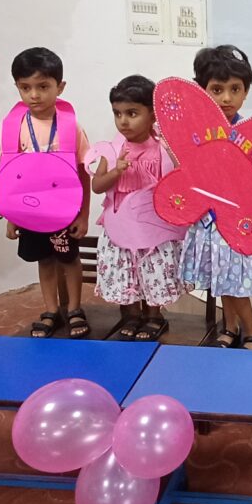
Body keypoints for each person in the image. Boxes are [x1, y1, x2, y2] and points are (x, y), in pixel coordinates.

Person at [178, 45, 252, 350]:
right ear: (202, 90)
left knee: (235, 280)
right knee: (221, 277)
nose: (226, 98)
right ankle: (230, 327)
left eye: (235, 89)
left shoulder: (248, 132)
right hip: (207, 220)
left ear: (246, 92)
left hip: (238, 219)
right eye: (217, 89)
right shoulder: (193, 133)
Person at [5, 47, 92, 339]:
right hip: (30, 211)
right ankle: (51, 310)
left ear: (60, 87)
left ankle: (75, 309)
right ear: (17, 87)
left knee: (68, 259)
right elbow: (11, 176)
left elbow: (83, 173)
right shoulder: (15, 128)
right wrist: (12, 216)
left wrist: (83, 214)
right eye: (25, 87)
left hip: (64, 211)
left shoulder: (71, 127)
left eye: (43, 86)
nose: (34, 95)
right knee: (44, 259)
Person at [91, 74, 185, 341]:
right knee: (126, 270)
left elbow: (178, 183)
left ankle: (154, 316)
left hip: (153, 228)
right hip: (119, 226)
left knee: (152, 270)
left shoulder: (163, 149)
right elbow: (97, 186)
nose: (123, 121)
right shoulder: (112, 151)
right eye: (117, 113)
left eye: (132, 113)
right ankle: (131, 316)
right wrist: (116, 172)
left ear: (152, 114)